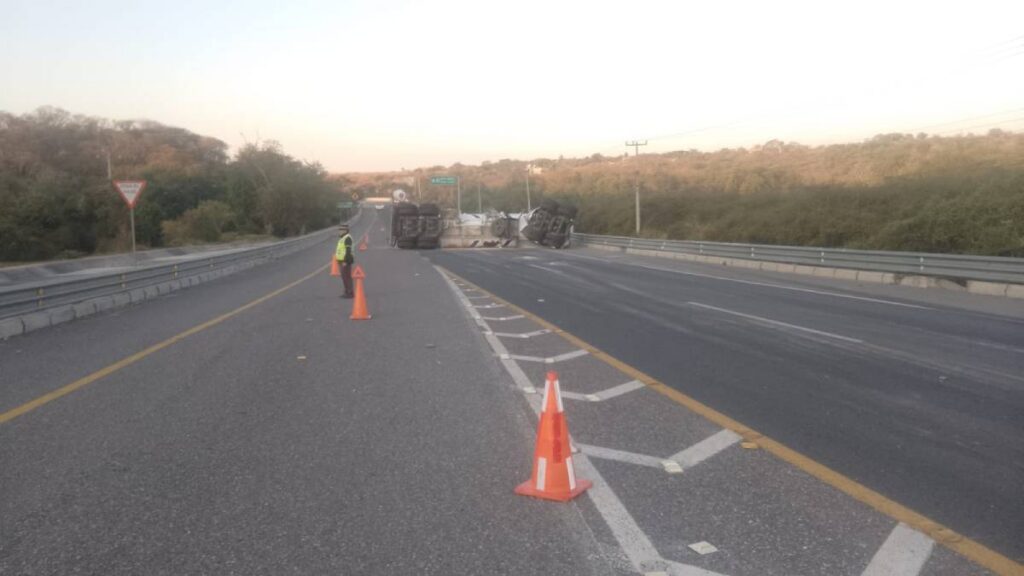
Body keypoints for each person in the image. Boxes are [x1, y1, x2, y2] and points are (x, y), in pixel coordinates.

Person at [336, 224, 354, 298]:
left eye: (341, 230)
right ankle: (347, 291)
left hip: (345, 261)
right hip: (341, 260)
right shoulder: (343, 238)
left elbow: (348, 251)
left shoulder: (347, 238)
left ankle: (349, 293)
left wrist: (346, 261)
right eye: (339, 230)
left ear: (345, 231)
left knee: (346, 277)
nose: (339, 231)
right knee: (344, 277)